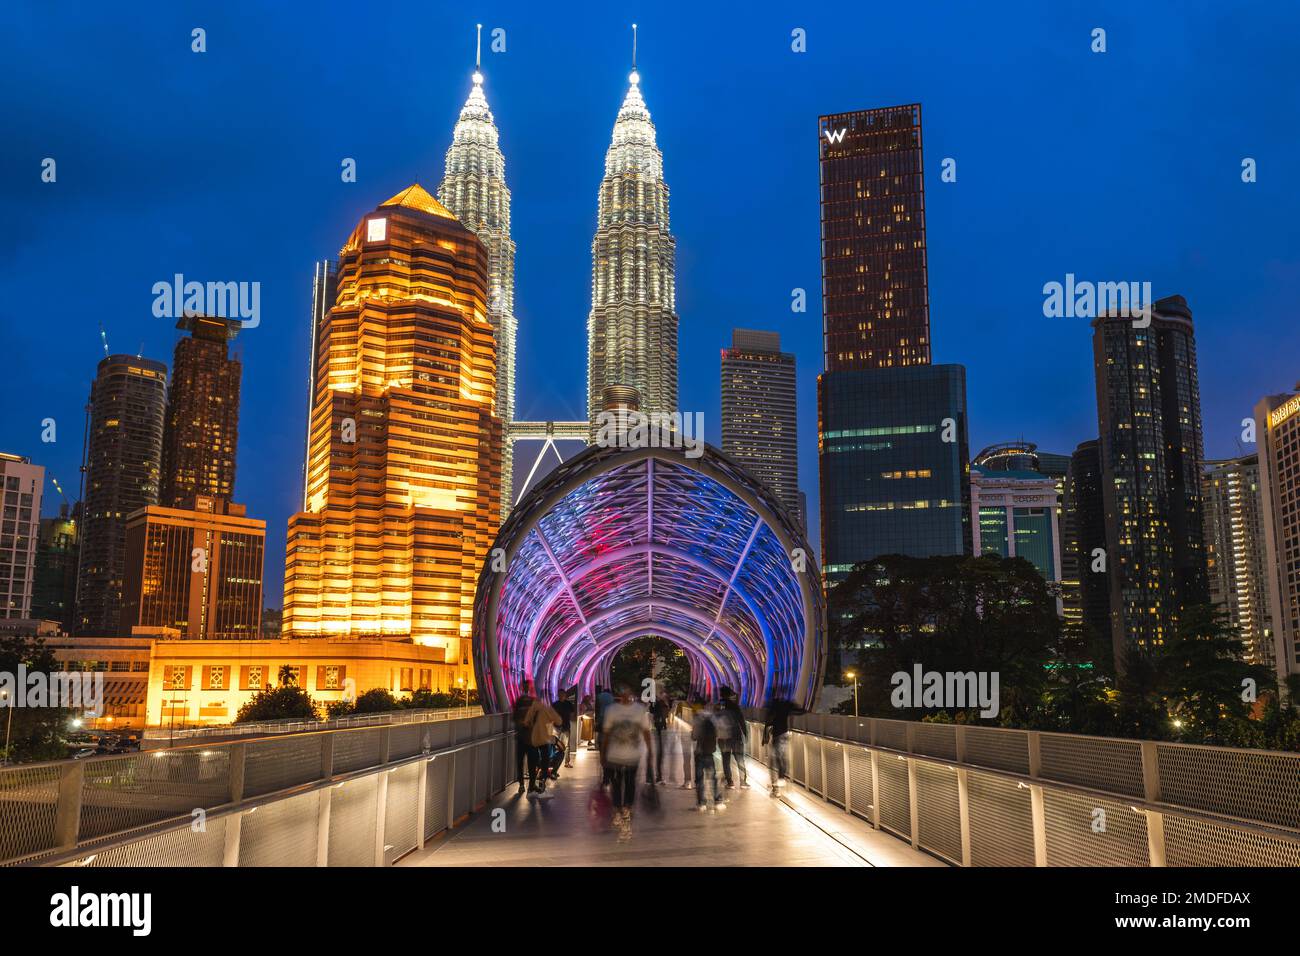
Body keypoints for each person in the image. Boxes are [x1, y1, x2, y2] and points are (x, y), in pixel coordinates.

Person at [600, 683, 653, 841]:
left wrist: (650, 752)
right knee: (616, 785)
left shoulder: (639, 710)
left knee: (630, 784)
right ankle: (618, 809)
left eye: (627, 692)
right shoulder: (612, 710)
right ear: (619, 694)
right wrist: (602, 754)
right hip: (614, 757)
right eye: (622, 692)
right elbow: (607, 734)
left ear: (631, 694)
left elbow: (646, 732)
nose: (625, 695)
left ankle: (626, 810)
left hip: (632, 757)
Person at [762, 693, 804, 795]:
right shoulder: (786, 704)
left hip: (776, 735)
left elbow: (768, 722)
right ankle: (781, 777)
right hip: (784, 734)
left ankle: (776, 785)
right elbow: (801, 711)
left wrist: (765, 737)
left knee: (773, 761)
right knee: (781, 757)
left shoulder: (772, 706)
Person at [521, 693, 561, 798]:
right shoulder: (547, 708)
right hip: (544, 739)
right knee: (544, 763)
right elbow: (559, 721)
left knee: (532, 763)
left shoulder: (532, 708)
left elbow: (526, 722)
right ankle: (542, 789)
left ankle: (531, 788)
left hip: (533, 740)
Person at [691, 702, 724, 811]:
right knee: (713, 777)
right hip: (709, 753)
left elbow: (694, 737)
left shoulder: (698, 719)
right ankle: (716, 800)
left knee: (699, 779)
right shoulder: (713, 719)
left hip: (699, 753)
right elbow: (718, 734)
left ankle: (701, 803)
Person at [718, 688, 749, 789]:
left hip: (724, 737)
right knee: (740, 759)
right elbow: (741, 721)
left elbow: (714, 721)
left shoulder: (718, 706)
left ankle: (730, 782)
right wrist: (745, 733)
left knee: (726, 759)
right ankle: (743, 782)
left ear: (721, 694)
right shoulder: (735, 706)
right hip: (736, 736)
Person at [511, 682, 537, 795]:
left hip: (524, 737)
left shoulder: (520, 702)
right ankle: (528, 785)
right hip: (527, 738)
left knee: (522, 762)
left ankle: (524, 784)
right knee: (530, 762)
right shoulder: (529, 701)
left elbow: (514, 717)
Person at [594, 685, 614, 785]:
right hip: (611, 727)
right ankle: (609, 773)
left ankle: (606, 774)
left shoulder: (599, 697)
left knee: (602, 751)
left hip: (602, 725)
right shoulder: (612, 698)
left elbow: (596, 710)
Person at [651, 692, 672, 784]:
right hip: (661, 730)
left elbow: (654, 713)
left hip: (661, 730)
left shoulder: (661, 705)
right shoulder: (663, 705)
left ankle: (659, 775)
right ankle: (659, 775)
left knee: (660, 755)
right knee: (660, 754)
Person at [553, 689, 576, 771]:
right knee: (557, 745)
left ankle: (566, 762)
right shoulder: (555, 704)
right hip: (557, 727)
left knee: (566, 746)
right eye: (560, 694)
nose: (561, 695)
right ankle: (556, 763)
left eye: (562, 694)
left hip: (565, 727)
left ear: (565, 695)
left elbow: (572, 714)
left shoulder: (567, 704)